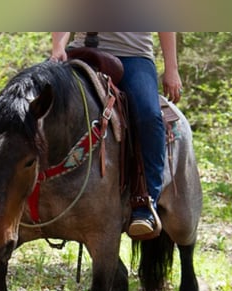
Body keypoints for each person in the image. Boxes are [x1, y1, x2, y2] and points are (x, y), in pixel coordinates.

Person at [51, 32, 183, 238]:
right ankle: (8, 191)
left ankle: (145, 202)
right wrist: (58, 47)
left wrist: (171, 69)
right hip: (81, 51)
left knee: (149, 117)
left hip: (132, 56)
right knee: (31, 96)